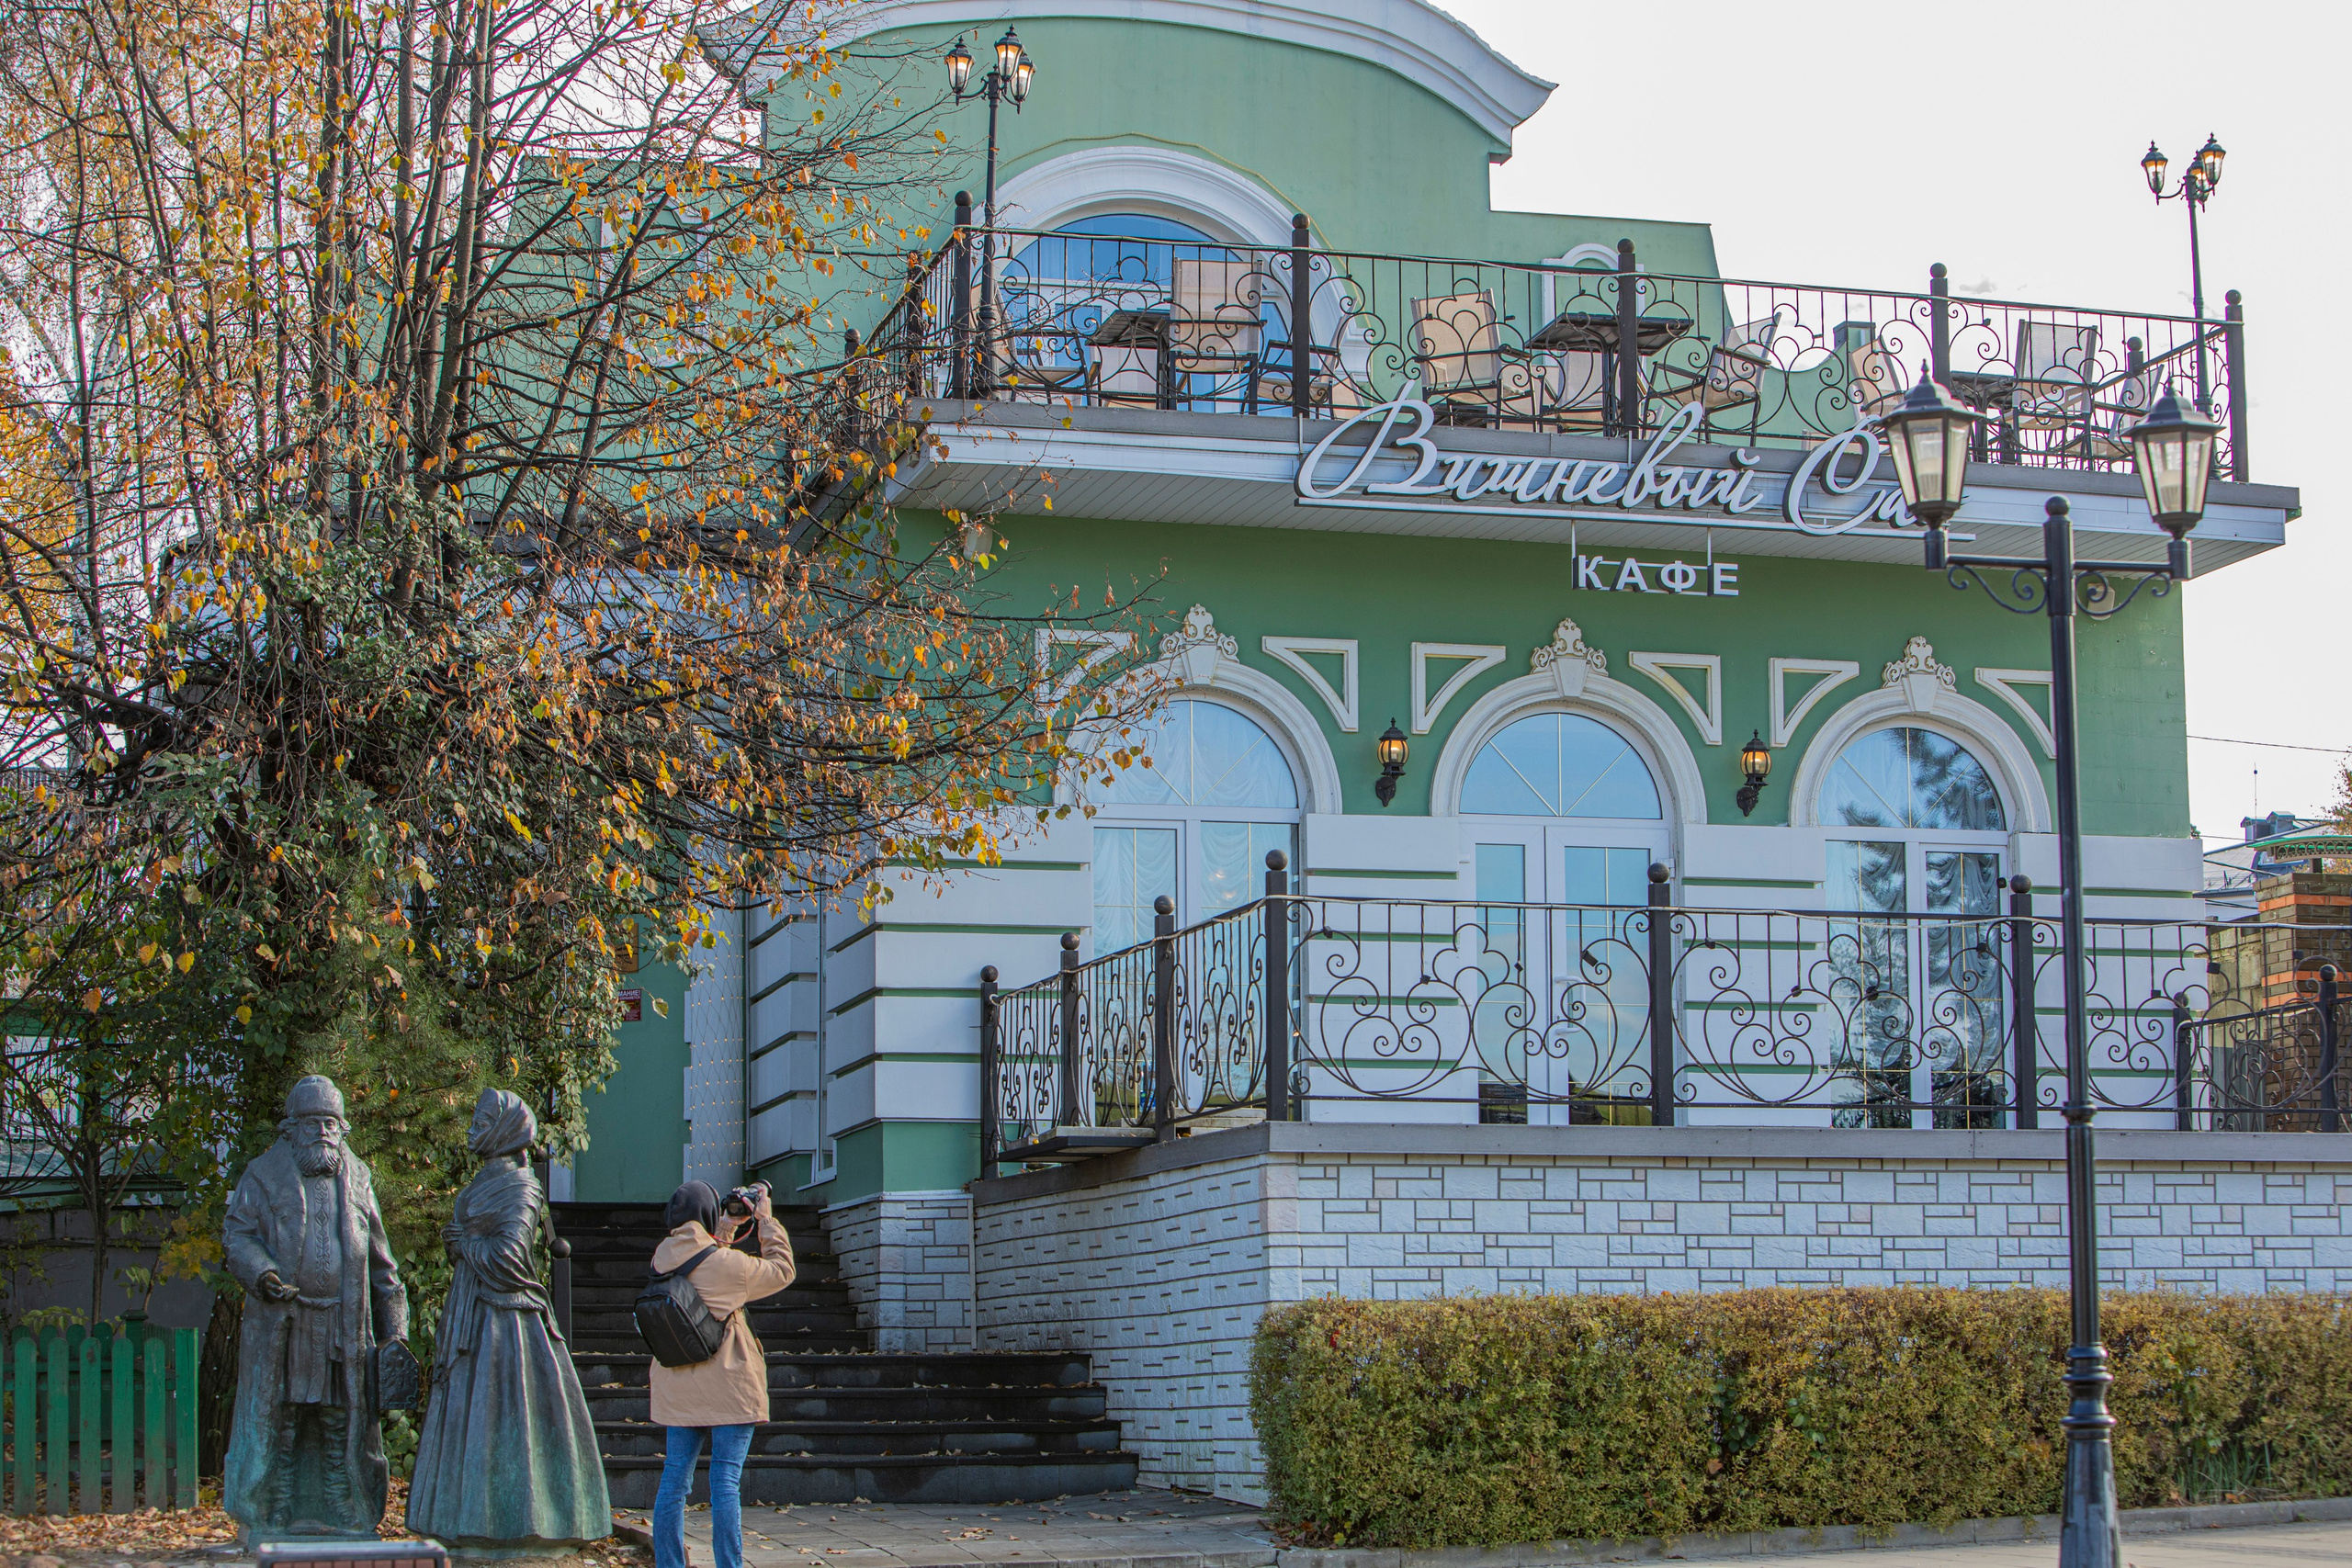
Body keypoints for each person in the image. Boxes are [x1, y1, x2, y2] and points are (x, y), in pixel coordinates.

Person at [406, 1088, 610, 1548]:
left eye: (484, 1119)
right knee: (475, 1419)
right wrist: (460, 1242)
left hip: (505, 1326)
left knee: (506, 1419)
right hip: (475, 1313)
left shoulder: (521, 1184)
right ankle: (469, 1523)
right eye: (475, 1117)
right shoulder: (486, 1181)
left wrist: (464, 1246)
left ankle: (513, 1526)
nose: (475, 1126)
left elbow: (512, 1258)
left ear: (506, 1128)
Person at [220, 1075, 408, 1540]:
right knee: (283, 1417)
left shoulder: (359, 1178)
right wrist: (263, 1273)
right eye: (312, 1124)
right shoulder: (262, 1176)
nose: (323, 1133)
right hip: (285, 1323)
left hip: (342, 1324)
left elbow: (382, 1265)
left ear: (343, 1129)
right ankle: (275, 1506)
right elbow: (237, 1235)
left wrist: (395, 1333)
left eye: (330, 1124)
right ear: (290, 1130)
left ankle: (344, 1505)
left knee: (338, 1416)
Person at [650, 1179, 795, 1568]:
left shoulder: (662, 1259)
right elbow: (782, 1270)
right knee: (725, 1482)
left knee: (674, 1482)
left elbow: (703, 1258)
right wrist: (765, 1219)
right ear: (708, 1214)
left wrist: (727, 1227)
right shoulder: (727, 1266)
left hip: (678, 1388)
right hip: (729, 1389)